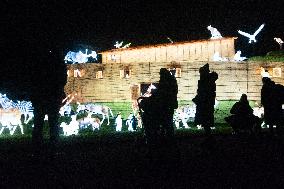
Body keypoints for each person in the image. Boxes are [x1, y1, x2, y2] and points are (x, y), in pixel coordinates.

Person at [30, 48, 67, 147]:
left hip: (41, 96)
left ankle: (37, 142)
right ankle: (53, 141)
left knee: (39, 120)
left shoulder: (40, 65)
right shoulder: (59, 65)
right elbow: (63, 80)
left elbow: (34, 80)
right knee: (53, 120)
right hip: (52, 96)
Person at [193, 63, 218, 136]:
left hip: (205, 103)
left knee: (206, 120)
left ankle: (208, 137)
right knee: (206, 120)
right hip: (206, 102)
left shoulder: (206, 80)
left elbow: (203, 92)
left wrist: (198, 98)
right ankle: (208, 136)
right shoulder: (207, 80)